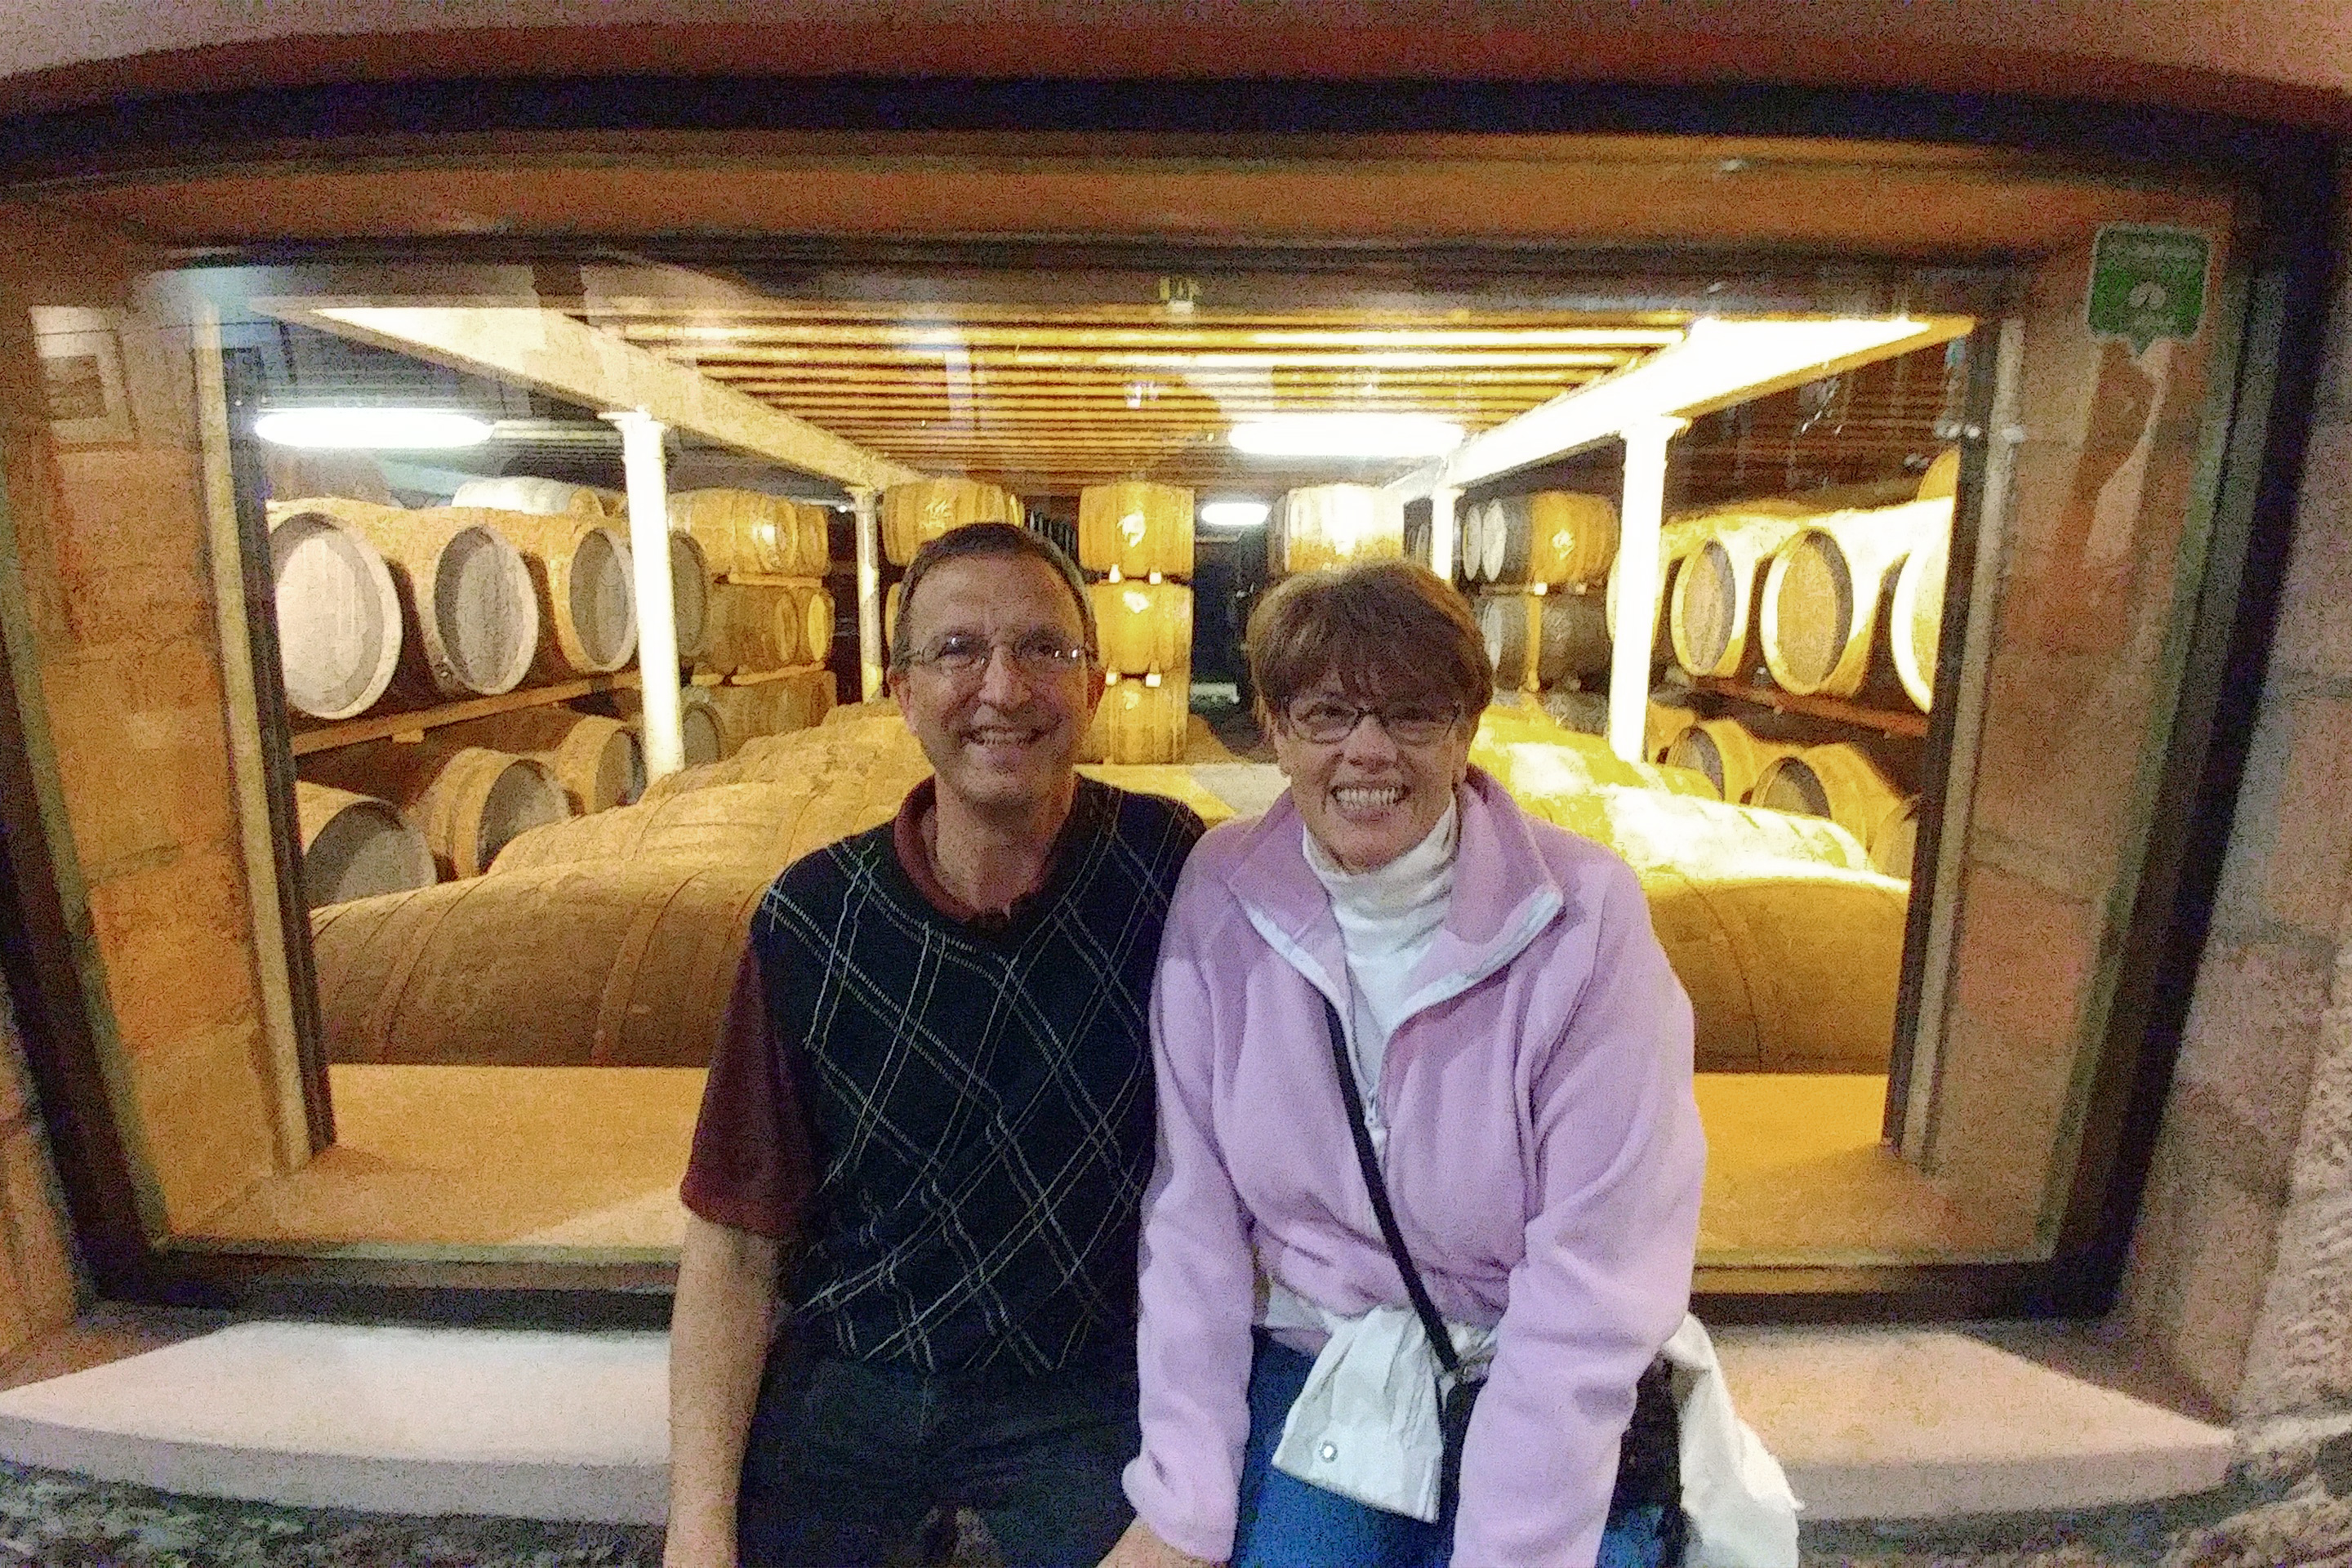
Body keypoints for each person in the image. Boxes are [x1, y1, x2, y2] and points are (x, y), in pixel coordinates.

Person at [1104, 560, 1705, 1568]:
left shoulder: (1585, 917)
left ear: (1468, 728)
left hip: (1531, 1369)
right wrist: (1184, 1505)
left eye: (1412, 714)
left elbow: (1595, 1278)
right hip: (1320, 1362)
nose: (1367, 751)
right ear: (1275, 728)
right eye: (1328, 713)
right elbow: (1193, 1221)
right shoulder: (1222, 892)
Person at [667, 522, 1205, 1568]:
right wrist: (697, 1529)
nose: (1003, 687)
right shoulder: (813, 918)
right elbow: (734, 1249)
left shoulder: (1174, 873)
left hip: (1083, 1384)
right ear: (905, 694)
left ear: (1093, 687)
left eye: (1043, 649)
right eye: (958, 650)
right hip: (859, 1376)